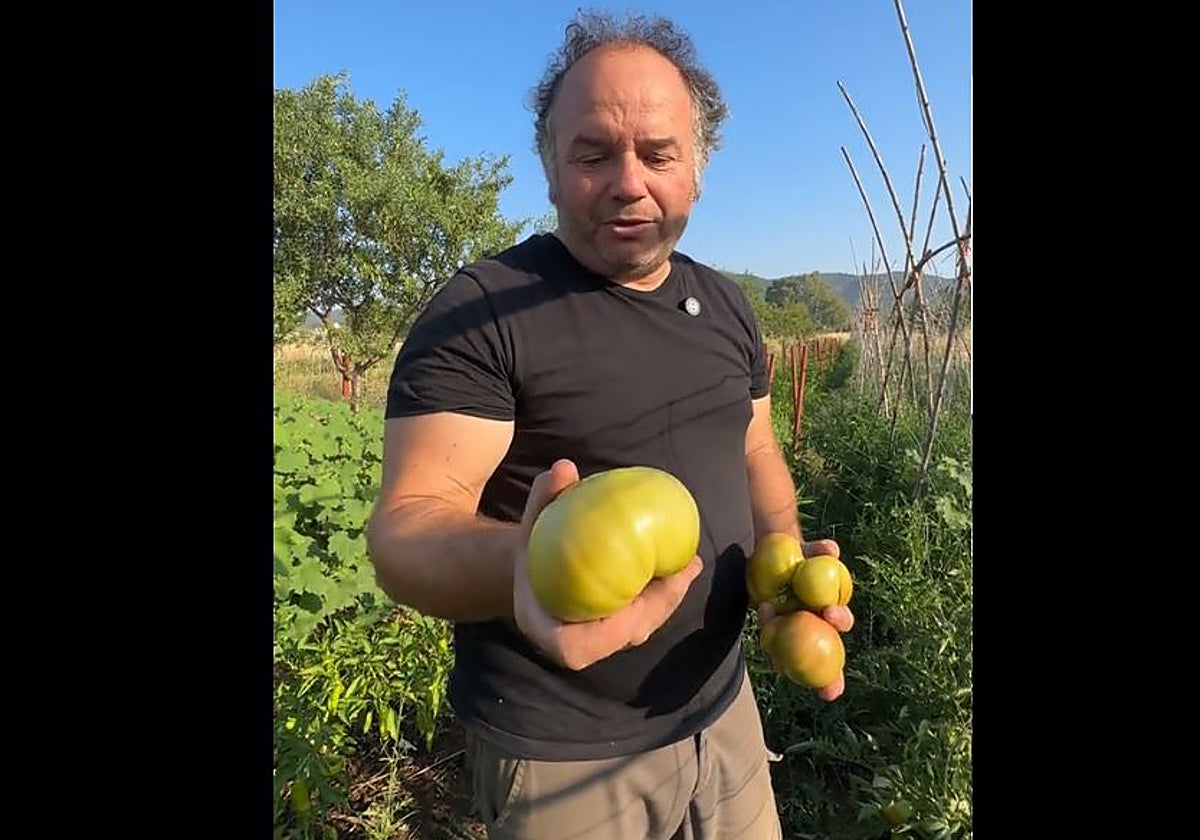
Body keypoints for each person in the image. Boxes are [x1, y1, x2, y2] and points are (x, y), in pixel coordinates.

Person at [366, 10, 854, 839]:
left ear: (697, 169)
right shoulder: (483, 313)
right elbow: (405, 531)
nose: (628, 181)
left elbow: (757, 449)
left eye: (658, 153)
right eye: (592, 153)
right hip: (565, 756)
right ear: (551, 170)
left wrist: (784, 572)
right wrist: (526, 565)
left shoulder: (727, 305)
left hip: (723, 710)